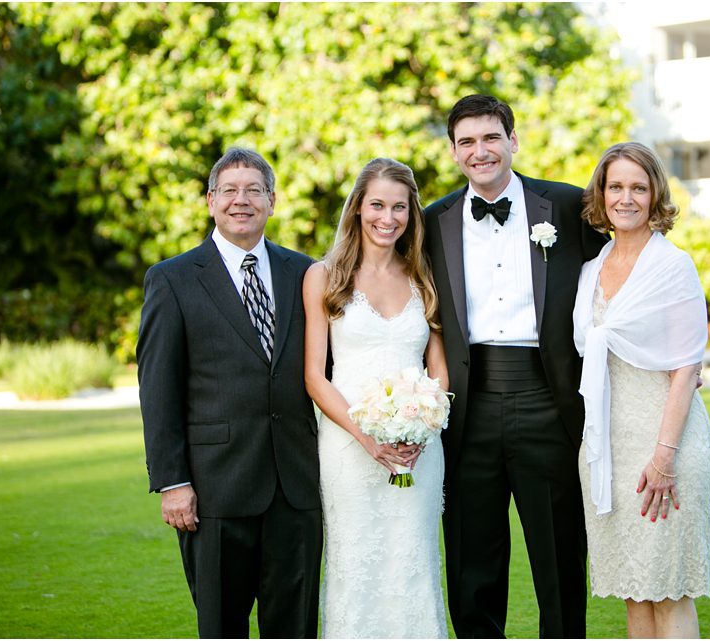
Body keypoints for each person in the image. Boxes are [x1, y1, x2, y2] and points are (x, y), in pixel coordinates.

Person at [424, 94, 606, 638]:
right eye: (467, 142)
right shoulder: (433, 222)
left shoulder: (570, 209)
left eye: (490, 138)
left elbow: (624, 274)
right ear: (455, 153)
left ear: (512, 141)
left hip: (549, 400)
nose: (480, 151)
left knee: (559, 555)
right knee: (471, 559)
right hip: (467, 405)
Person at [138, 147, 322, 638]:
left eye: (254, 190)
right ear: (210, 200)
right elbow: (158, 389)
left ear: (273, 201)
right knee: (221, 626)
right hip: (215, 488)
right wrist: (172, 481)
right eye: (230, 191)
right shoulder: (172, 279)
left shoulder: (306, 273)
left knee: (296, 627)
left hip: (296, 485)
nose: (242, 201)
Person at [573, 142, 710, 638]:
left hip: (665, 445)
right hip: (609, 449)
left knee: (669, 593)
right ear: (602, 193)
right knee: (634, 592)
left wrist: (663, 458)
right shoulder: (591, 268)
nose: (625, 198)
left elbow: (685, 369)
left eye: (638, 187)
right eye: (616, 187)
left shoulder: (672, 266)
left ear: (655, 194)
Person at [303, 157, 449, 638]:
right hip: (348, 448)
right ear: (357, 209)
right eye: (377, 205)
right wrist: (367, 438)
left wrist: (425, 428)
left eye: (400, 208)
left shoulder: (423, 276)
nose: (388, 218)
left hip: (418, 450)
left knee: (413, 560)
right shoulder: (324, 277)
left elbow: (439, 368)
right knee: (356, 563)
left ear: (412, 214)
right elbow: (314, 377)